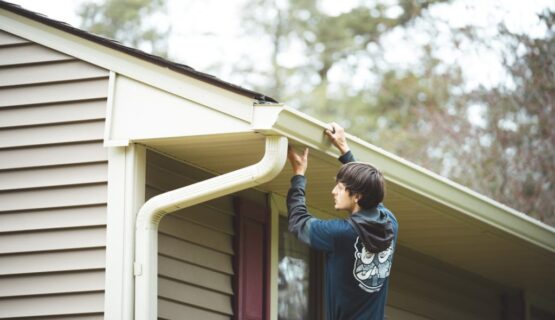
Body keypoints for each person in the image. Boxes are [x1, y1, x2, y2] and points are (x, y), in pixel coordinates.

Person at [286, 122, 398, 320]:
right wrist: (343, 148)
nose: (333, 191)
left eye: (339, 187)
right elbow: (369, 188)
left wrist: (298, 175)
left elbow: (299, 223)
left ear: (357, 196)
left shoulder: (341, 233)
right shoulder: (390, 223)